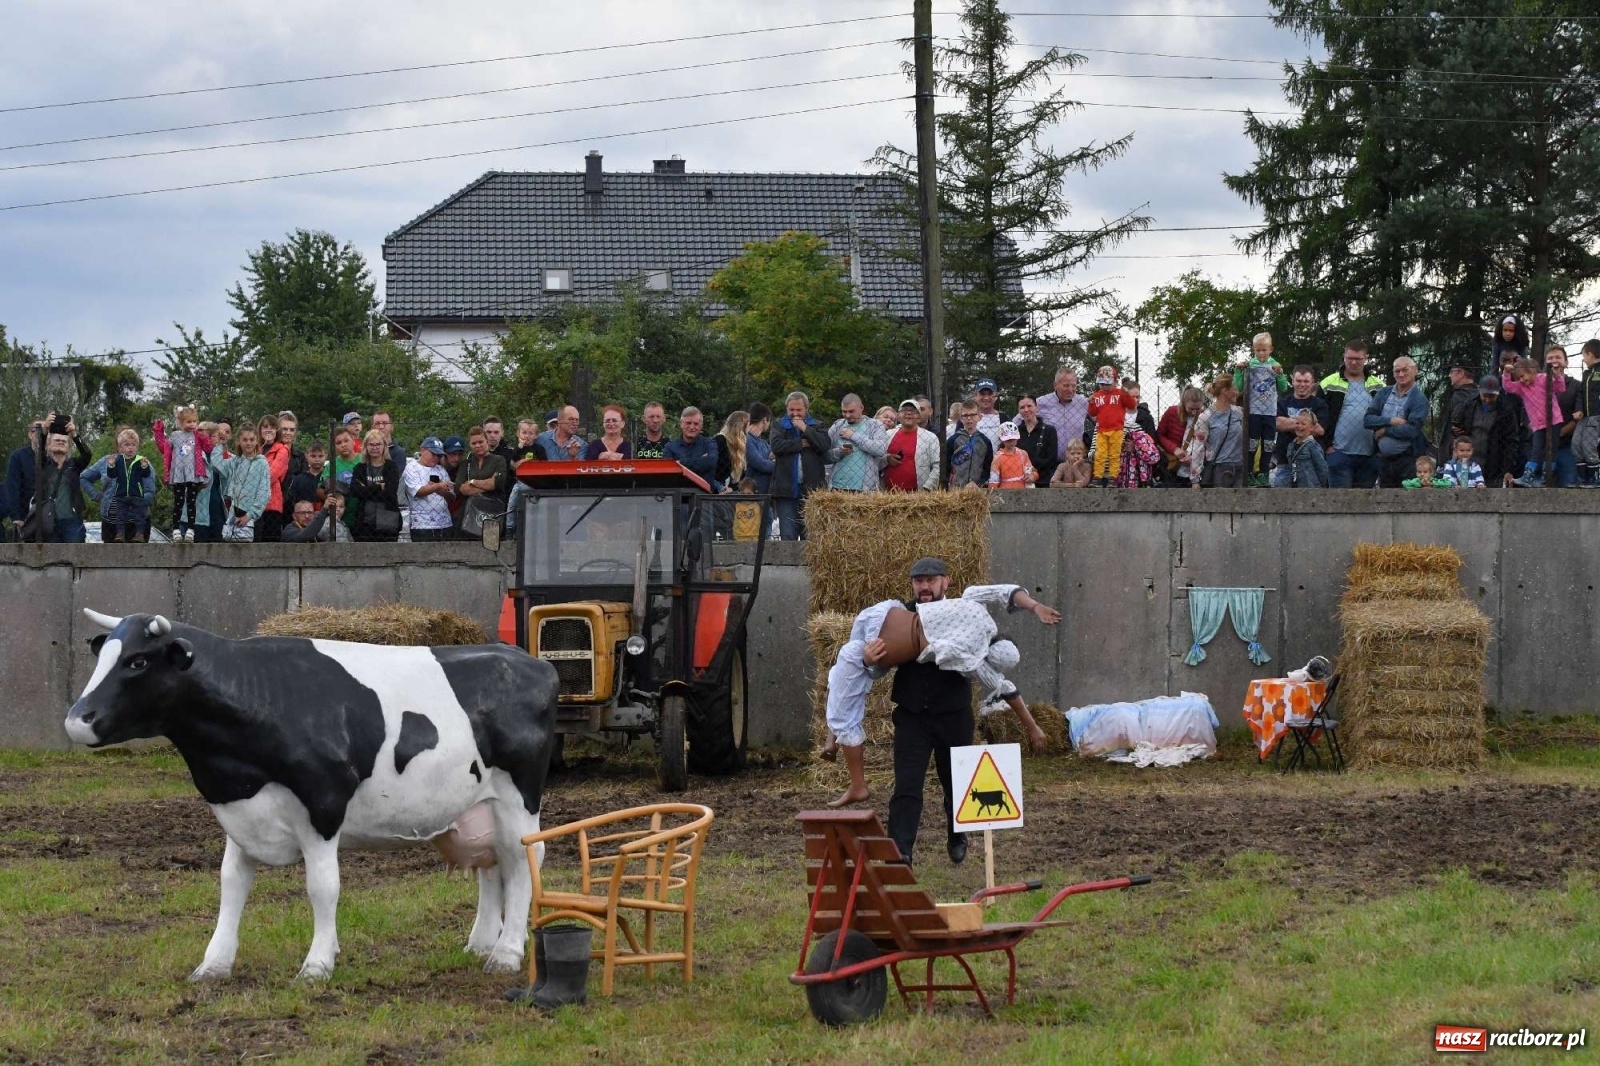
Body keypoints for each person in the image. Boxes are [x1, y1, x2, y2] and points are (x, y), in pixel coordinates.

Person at [866, 558, 1058, 866]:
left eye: (930, 580)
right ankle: (900, 851)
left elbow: (1002, 681)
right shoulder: (900, 616)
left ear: (946, 582)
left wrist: (1032, 726)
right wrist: (867, 658)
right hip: (911, 715)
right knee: (907, 785)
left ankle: (957, 835)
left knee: (956, 784)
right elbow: (873, 663)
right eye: (918, 581)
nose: (924, 586)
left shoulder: (965, 613)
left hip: (953, 716)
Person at [823, 575, 1058, 809]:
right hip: (886, 626)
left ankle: (844, 759)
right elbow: (1008, 687)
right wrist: (1035, 606)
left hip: (884, 619)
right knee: (846, 676)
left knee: (846, 669)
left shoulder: (973, 642)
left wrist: (1034, 607)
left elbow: (1006, 591)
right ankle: (844, 756)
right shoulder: (974, 657)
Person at [1321, 339, 1384, 488]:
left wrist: (1380, 450)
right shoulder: (1328, 384)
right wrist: (1327, 446)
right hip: (1338, 454)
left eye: (1358, 359)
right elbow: (1318, 417)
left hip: (1370, 456)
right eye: (1350, 358)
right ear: (1344, 357)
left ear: (1366, 359)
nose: (1354, 362)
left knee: (1363, 505)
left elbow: (1386, 416)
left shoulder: (1380, 386)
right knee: (1339, 504)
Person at [769, 391, 831, 539]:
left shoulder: (817, 425)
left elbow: (823, 445)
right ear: (786, 409)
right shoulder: (778, 425)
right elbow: (776, 446)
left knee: (810, 536)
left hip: (812, 491)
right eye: (791, 410)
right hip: (786, 490)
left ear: (806, 409)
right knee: (788, 536)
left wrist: (805, 429)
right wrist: (801, 443)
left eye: (799, 410)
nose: (795, 413)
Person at [1497, 356, 1565, 487]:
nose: (1522, 380)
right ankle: (1528, 475)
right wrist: (1506, 373)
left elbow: (1560, 388)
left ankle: (1547, 476)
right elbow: (1508, 387)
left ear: (1531, 371)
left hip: (1554, 420)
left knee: (1552, 449)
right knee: (1536, 448)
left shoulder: (1544, 378)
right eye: (1519, 378)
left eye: (1523, 376)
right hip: (1538, 423)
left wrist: (1557, 376)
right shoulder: (1522, 387)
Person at [81, 427, 157, 543]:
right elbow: (83, 478)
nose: (130, 447)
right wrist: (98, 496)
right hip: (110, 523)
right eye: (126, 444)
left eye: (133, 444)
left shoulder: (143, 463)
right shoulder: (106, 461)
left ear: (137, 446)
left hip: (136, 522)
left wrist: (135, 500)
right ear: (119, 446)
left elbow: (150, 492)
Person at [1363, 356, 1427, 488]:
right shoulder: (1383, 393)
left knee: (1407, 502)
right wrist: (1390, 421)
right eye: (1397, 371)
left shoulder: (1419, 399)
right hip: (1384, 461)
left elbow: (1412, 430)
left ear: (1415, 370)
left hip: (1408, 461)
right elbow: (1368, 420)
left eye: (1405, 370)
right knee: (1385, 502)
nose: (1401, 374)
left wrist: (1385, 430)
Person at [1232, 333, 1287, 485]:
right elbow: (1239, 387)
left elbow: (1283, 387)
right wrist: (1238, 371)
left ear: (1271, 349)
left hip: (1269, 412)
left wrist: (1280, 374)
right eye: (1258, 350)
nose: (1261, 353)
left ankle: (1264, 473)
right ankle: (1249, 473)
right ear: (1254, 350)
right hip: (1253, 412)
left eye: (1264, 350)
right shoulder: (1250, 366)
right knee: (1252, 443)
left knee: (1268, 443)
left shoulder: (1276, 366)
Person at [152, 407, 214, 542]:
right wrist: (158, 432)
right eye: (188, 422)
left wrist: (203, 435)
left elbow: (209, 448)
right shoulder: (175, 436)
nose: (192, 424)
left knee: (191, 501)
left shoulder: (197, 436)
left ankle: (191, 529)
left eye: (194, 421)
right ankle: (176, 529)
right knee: (178, 501)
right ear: (180, 423)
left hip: (193, 473)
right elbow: (164, 447)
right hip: (179, 473)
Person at [1455, 375, 1521, 487]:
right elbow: (1458, 426)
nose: (1487, 400)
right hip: (1469, 463)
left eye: (1492, 396)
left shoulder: (1506, 411)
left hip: (1494, 465)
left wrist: (1508, 469)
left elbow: (1511, 441)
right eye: (1485, 396)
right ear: (1479, 391)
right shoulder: (1469, 404)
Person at [1270, 367, 1329, 487]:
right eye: (1298, 381)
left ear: (1312, 383)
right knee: (1280, 501)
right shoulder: (1282, 402)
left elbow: (1320, 430)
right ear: (1292, 381)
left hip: (1310, 465)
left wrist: (1288, 422)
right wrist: (1307, 423)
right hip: (1284, 462)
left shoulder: (1320, 404)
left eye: (1306, 381)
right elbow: (1277, 424)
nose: (1302, 384)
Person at [210, 425, 270, 542]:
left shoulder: (262, 463)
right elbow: (217, 464)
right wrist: (220, 445)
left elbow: (264, 492)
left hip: (253, 515)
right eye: (245, 440)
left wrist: (250, 515)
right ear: (239, 441)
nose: (248, 443)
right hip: (235, 511)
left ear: (257, 441)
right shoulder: (235, 462)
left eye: (252, 440)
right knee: (231, 541)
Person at [32, 430, 92, 543]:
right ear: (48, 445)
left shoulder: (74, 465)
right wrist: (44, 432)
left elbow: (87, 454)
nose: (61, 442)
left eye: (64, 441)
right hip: (48, 521)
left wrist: (74, 434)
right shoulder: (43, 465)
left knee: (75, 556)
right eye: (57, 440)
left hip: (72, 521)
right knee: (51, 559)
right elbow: (38, 452)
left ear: (68, 446)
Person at [348, 429, 402, 542]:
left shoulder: (391, 467)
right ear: (366, 447)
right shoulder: (359, 468)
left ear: (384, 446)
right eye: (371, 444)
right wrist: (379, 487)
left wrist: (365, 490)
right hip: (364, 523)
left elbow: (390, 493)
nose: (375, 447)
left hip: (388, 521)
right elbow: (354, 491)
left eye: (378, 444)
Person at [454, 425, 508, 538]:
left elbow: (496, 483)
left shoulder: (499, 460)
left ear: (486, 441)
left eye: (480, 442)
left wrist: (472, 482)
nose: (477, 445)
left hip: (493, 512)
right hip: (470, 515)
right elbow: (460, 488)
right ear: (470, 445)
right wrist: (487, 484)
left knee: (491, 544)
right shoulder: (466, 464)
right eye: (474, 443)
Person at [1087, 366, 1136, 487]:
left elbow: (1131, 405)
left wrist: (1126, 394)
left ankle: (1113, 478)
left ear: (1114, 381)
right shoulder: (1097, 395)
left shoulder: (1120, 393)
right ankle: (1098, 477)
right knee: (1100, 454)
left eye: (1108, 383)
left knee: (1114, 455)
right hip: (1101, 430)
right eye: (1102, 384)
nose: (1105, 386)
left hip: (1117, 430)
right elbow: (1092, 412)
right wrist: (1091, 403)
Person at [827, 393, 888, 492]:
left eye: (851, 411)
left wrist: (853, 436)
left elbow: (880, 449)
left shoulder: (875, 425)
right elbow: (825, 454)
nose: (847, 415)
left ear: (861, 408)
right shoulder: (837, 426)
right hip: (837, 487)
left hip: (865, 489)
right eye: (844, 411)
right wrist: (839, 452)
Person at [1193, 374, 1244, 488]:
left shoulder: (1239, 413)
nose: (1237, 392)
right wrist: (1195, 480)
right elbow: (1198, 447)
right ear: (1225, 391)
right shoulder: (1206, 417)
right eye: (1234, 388)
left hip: (1240, 467)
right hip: (1220, 469)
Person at [403, 437, 456, 541]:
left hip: (445, 523)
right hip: (422, 524)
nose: (436, 458)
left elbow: (452, 497)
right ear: (423, 450)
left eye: (439, 455)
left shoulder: (441, 470)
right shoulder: (412, 467)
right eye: (433, 454)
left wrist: (441, 491)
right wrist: (438, 486)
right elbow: (418, 491)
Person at [1036, 367, 1091, 465]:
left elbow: (1103, 421)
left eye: (1073, 386)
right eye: (1066, 385)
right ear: (1055, 385)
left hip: (1076, 463)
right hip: (1049, 464)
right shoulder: (1040, 403)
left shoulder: (1083, 403)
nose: (1070, 390)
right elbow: (1016, 423)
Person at [882, 399, 940, 492]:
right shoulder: (888, 435)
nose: (909, 413)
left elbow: (937, 466)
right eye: (905, 410)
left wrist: (927, 489)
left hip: (919, 495)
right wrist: (886, 458)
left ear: (919, 417)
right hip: (888, 495)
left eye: (913, 411)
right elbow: (875, 460)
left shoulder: (930, 438)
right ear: (898, 416)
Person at [1156, 386, 1207, 488]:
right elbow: (1159, 435)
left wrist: (1194, 459)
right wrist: (1174, 449)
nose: (1194, 412)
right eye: (1191, 409)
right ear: (1184, 404)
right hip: (1174, 466)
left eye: (1197, 409)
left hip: (1196, 469)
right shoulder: (1172, 412)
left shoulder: (1205, 417)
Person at [664, 407, 722, 491]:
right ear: (681, 424)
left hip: (704, 497)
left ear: (701, 425)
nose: (692, 427)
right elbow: (669, 471)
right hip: (678, 497)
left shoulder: (709, 444)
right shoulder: (670, 447)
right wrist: (701, 461)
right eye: (688, 423)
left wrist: (681, 463)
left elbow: (711, 461)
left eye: (696, 424)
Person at [255, 414, 291, 543]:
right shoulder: (255, 449)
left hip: (272, 503)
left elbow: (273, 474)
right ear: (260, 430)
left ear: (277, 430)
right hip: (253, 504)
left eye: (272, 427)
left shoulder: (282, 450)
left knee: (270, 539)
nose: (269, 430)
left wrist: (253, 480)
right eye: (265, 427)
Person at [945, 400, 993, 491]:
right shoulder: (953, 440)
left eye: (972, 415)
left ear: (979, 417)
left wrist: (979, 483)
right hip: (956, 489)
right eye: (965, 415)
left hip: (977, 489)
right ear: (961, 418)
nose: (969, 418)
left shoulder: (985, 442)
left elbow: (987, 468)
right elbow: (946, 466)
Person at [1436, 361, 1479, 462]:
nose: (1449, 375)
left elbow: (1457, 425)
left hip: (1457, 453)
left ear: (1461, 373)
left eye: (1452, 372)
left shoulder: (1459, 395)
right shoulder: (1480, 393)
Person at [1014, 394, 1059, 487]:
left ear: (1036, 407)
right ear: (1018, 410)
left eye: (1029, 406)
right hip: (1020, 480)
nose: (1026, 410)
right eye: (1022, 407)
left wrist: (1033, 470)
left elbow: (1052, 459)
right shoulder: (1014, 432)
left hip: (1043, 481)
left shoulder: (1049, 430)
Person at [1574, 339, 1600, 487]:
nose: (1583, 359)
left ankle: (1595, 479)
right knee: (1576, 444)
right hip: (1584, 417)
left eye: (1584, 355)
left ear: (1590, 354)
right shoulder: (1586, 373)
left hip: (1596, 416)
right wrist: (1578, 409)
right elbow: (1580, 393)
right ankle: (1581, 479)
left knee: (1589, 446)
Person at [1115, 409, 1162, 488]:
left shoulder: (1142, 426)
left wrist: (1137, 448)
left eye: (1137, 397)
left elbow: (1154, 455)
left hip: (1137, 479)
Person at [1281, 410, 1329, 488]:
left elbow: (1322, 470)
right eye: (1297, 423)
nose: (1299, 426)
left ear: (1312, 427)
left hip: (1310, 488)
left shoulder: (1313, 446)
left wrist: (1318, 486)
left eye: (1303, 424)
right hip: (1294, 487)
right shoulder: (1291, 446)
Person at [276, 410, 308, 514]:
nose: (288, 433)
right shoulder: (270, 453)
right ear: (278, 430)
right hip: (272, 504)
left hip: (294, 506)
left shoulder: (301, 456)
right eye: (284, 429)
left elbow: (304, 482)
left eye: (292, 430)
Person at [988, 422, 1035, 490]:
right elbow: (993, 481)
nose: (1011, 442)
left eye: (1013, 439)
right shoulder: (998, 458)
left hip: (1023, 492)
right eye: (1008, 440)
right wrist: (992, 496)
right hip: (1005, 492)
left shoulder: (1023, 454)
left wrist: (1032, 477)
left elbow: (1033, 471)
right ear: (1002, 439)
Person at [711, 410, 748, 490]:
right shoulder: (719, 440)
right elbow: (720, 469)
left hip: (729, 488)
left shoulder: (739, 445)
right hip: (717, 486)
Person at [744, 402, 775, 495]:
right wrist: (779, 465)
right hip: (751, 494)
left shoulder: (763, 443)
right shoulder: (746, 439)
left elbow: (773, 456)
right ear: (765, 420)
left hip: (765, 494)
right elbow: (760, 464)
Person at [972, 378, 1004, 451]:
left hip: (998, 461)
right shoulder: (968, 417)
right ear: (975, 396)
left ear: (996, 396)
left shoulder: (1003, 418)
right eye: (982, 394)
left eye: (990, 394)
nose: (986, 398)